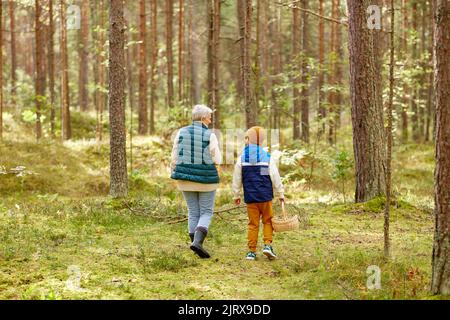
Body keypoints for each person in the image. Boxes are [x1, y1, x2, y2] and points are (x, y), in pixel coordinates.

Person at [170, 105, 221, 259]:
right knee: (206, 211)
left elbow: (174, 155)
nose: (211, 119)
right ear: (203, 117)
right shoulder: (209, 135)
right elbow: (217, 159)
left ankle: (195, 243)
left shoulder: (181, 132)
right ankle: (197, 244)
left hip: (184, 179)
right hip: (206, 180)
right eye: (209, 116)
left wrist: (175, 171)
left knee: (193, 211)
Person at [232, 126, 285, 261]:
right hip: (265, 197)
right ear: (261, 141)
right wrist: (280, 193)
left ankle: (251, 251)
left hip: (251, 197)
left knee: (253, 224)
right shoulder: (267, 157)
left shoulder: (242, 158)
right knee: (267, 221)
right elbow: (275, 176)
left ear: (248, 140)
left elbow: (237, 178)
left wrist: (236, 194)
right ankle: (267, 245)